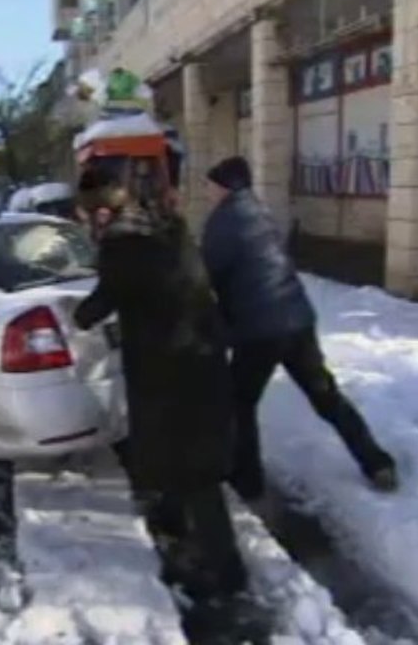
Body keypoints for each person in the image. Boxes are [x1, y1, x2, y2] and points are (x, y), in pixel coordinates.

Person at [71, 167, 247, 599]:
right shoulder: (169, 230)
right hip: (200, 359)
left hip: (173, 370)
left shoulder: (122, 250)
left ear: (101, 215)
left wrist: (76, 315)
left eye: (88, 216)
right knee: (178, 454)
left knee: (195, 470)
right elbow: (158, 291)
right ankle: (172, 520)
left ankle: (227, 573)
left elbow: (98, 305)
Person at [200, 156, 398, 500]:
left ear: (224, 186)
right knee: (325, 395)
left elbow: (206, 276)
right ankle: (377, 462)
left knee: (238, 403)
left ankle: (247, 482)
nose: (208, 192)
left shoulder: (222, 222)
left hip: (258, 330)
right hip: (297, 320)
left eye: (211, 185)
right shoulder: (261, 212)